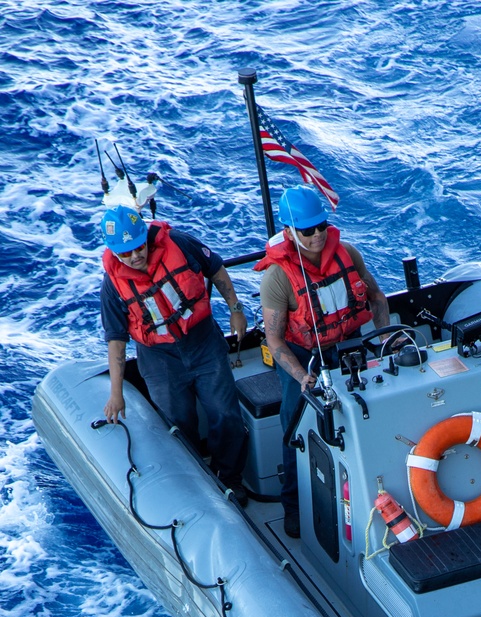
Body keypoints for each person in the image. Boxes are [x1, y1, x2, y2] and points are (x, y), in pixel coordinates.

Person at [255, 185, 392, 538]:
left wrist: (384, 338)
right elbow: (274, 338)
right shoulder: (277, 278)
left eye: (321, 226)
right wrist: (302, 377)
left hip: (346, 344)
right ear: (289, 232)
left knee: (368, 411)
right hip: (303, 355)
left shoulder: (348, 253)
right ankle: (294, 506)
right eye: (306, 230)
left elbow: (375, 297)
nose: (316, 235)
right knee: (294, 427)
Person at [100, 204, 249, 504]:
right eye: (126, 253)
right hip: (159, 359)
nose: (135, 256)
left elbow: (215, 268)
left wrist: (236, 309)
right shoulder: (112, 286)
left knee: (226, 414)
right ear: (116, 254)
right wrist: (116, 393)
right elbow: (116, 340)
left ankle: (229, 480)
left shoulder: (179, 243)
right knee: (178, 425)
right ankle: (195, 490)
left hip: (203, 342)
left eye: (138, 247)